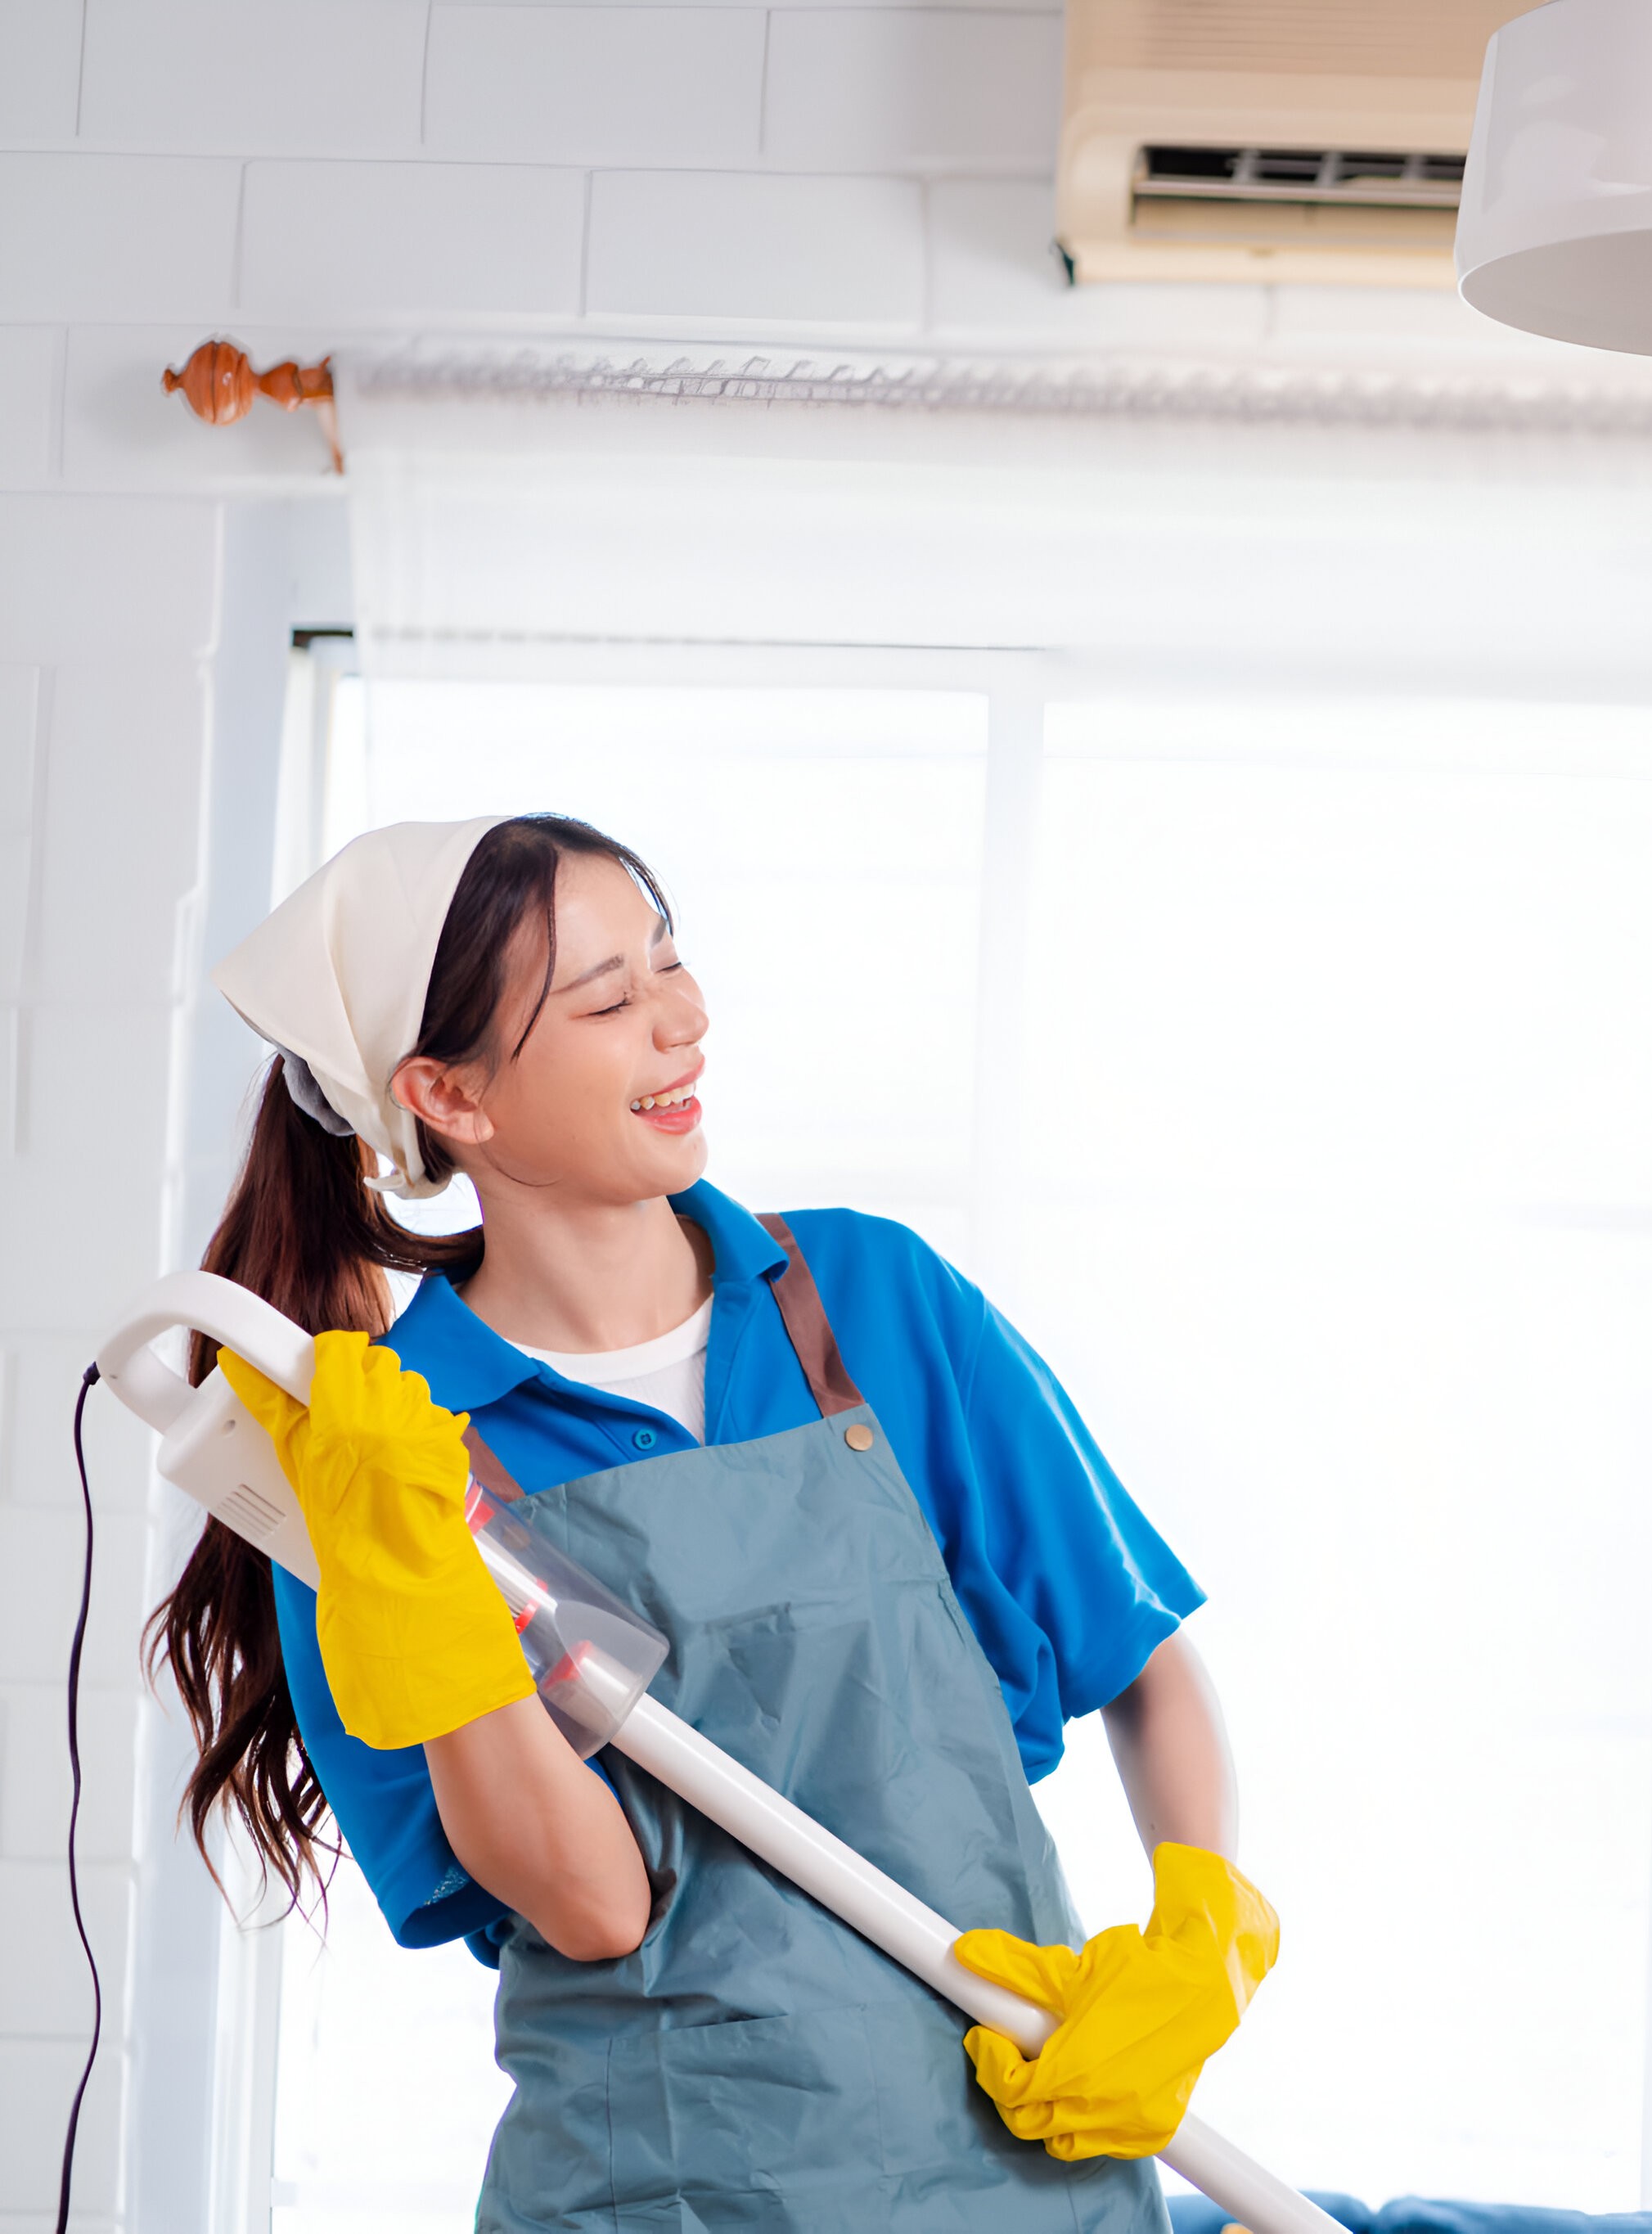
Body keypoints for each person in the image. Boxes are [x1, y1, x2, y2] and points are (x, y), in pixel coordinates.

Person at [148, 813, 1268, 2231]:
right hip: (668, 2193)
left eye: (670, 965)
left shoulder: (868, 1297)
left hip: (1028, 2169)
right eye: (610, 999)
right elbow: (596, 1903)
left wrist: (1199, 1932)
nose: (684, 1021)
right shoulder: (382, 1459)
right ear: (453, 1094)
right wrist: (413, 1582)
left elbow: (1141, 1660)